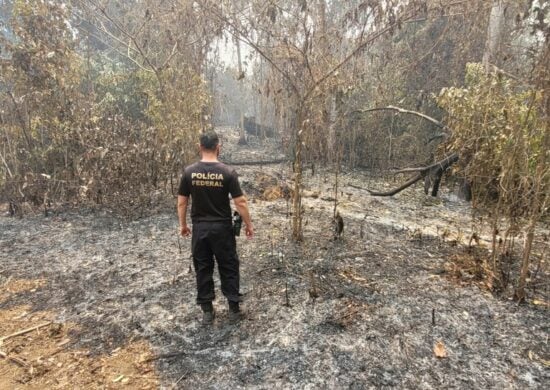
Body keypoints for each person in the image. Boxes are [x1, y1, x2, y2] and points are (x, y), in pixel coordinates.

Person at [177, 131, 253, 325]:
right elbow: (240, 202)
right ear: (218, 147)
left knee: (203, 267)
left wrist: (183, 225)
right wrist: (248, 225)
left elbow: (182, 202)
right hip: (222, 229)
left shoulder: (189, 172)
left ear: (200, 146)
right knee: (228, 265)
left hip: (200, 229)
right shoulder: (227, 172)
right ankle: (234, 309)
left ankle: (207, 312)